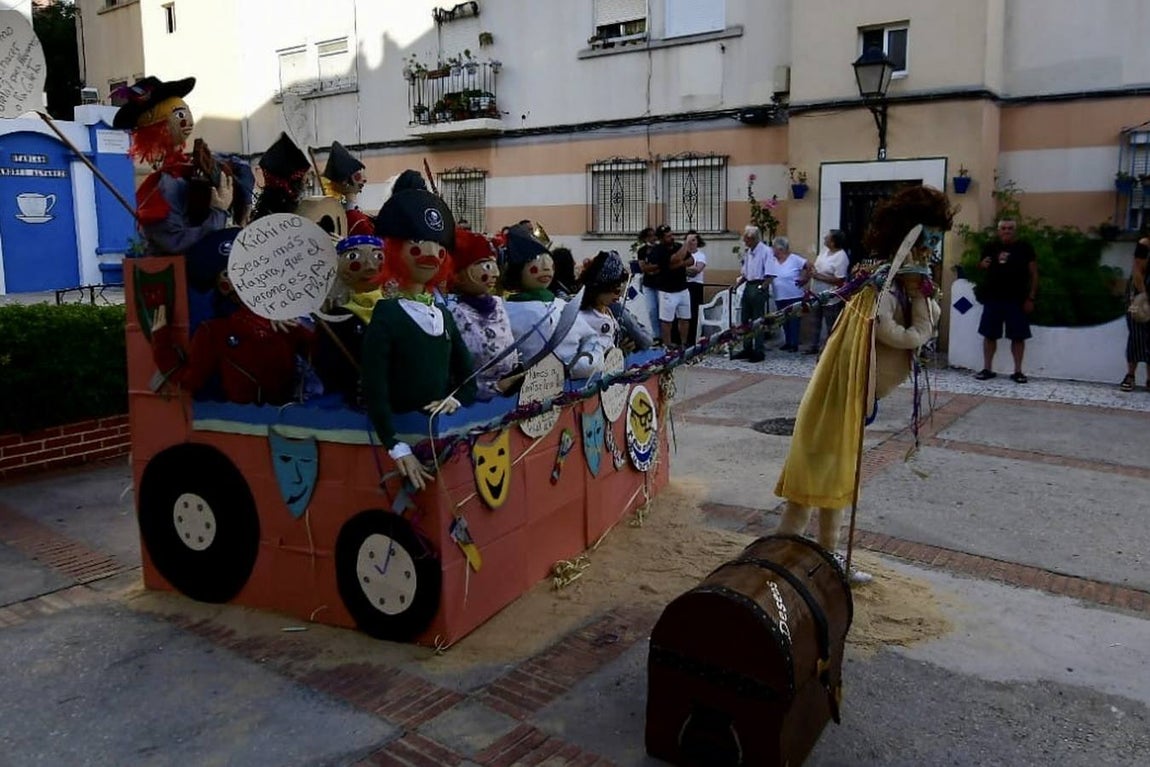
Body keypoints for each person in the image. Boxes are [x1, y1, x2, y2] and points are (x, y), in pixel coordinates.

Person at [774, 185, 953, 584]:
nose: (934, 250)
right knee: (821, 473)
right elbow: (896, 332)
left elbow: (923, 318)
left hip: (854, 395)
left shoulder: (897, 283)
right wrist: (916, 315)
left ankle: (823, 553)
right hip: (841, 393)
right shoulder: (879, 285)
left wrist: (918, 292)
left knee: (834, 472)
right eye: (931, 240)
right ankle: (780, 556)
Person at [974, 219, 1038, 383]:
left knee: (1018, 337)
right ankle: (987, 369)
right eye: (1003, 228)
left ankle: (1018, 372)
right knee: (989, 335)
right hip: (993, 298)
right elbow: (980, 267)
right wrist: (981, 265)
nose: (1007, 231)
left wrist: (1031, 297)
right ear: (998, 231)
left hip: (1017, 300)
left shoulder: (1024, 248)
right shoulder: (991, 247)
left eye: (1010, 228)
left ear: (1015, 231)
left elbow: (1034, 274)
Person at [804, 230, 851, 354]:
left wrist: (818, 276)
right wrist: (811, 269)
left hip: (830, 296)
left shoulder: (841, 257)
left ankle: (831, 348)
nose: (824, 238)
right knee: (815, 321)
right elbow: (817, 267)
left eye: (827, 237)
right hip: (816, 294)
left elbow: (840, 280)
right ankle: (813, 345)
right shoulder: (825, 253)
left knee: (831, 323)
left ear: (833, 241)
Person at [650, 226, 696, 347]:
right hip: (667, 290)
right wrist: (686, 244)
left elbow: (691, 260)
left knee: (685, 318)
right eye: (668, 236)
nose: (672, 237)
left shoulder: (677, 246)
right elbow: (675, 259)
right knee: (667, 320)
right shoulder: (658, 250)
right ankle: (667, 344)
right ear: (661, 238)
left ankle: (684, 343)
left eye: (671, 235)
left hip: (682, 288)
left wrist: (680, 263)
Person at [732, 226, 772, 362]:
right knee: (745, 319)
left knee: (758, 319)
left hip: (759, 284)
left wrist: (762, 288)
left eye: (747, 240)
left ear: (753, 239)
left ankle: (758, 350)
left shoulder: (766, 251)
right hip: (749, 285)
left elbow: (770, 273)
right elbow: (745, 272)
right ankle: (747, 348)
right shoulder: (749, 252)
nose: (745, 243)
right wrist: (737, 284)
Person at [764, 236, 810, 352]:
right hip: (779, 295)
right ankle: (788, 341)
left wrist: (805, 279)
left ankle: (793, 343)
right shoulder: (772, 261)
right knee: (784, 320)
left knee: (794, 320)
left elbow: (809, 266)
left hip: (794, 295)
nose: (771, 249)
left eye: (773, 247)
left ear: (780, 248)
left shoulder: (794, 259)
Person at [1120, 237, 1150, 392]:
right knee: (1136, 334)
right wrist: (1144, 297)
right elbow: (1137, 270)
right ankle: (1130, 375)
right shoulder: (1144, 244)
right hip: (1138, 294)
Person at [635, 226, 662, 338]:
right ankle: (657, 335)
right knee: (652, 310)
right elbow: (642, 267)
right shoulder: (642, 251)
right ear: (645, 238)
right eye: (650, 236)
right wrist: (652, 268)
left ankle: (665, 335)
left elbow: (663, 265)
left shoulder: (660, 249)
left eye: (654, 235)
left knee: (662, 311)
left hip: (661, 284)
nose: (653, 238)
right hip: (648, 285)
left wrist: (650, 268)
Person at [685, 229, 708, 344]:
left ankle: (692, 340)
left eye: (693, 240)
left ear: (697, 242)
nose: (690, 242)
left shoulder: (700, 256)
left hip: (695, 287)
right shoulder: (682, 255)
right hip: (683, 286)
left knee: (694, 313)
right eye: (688, 240)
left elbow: (697, 270)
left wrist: (682, 269)